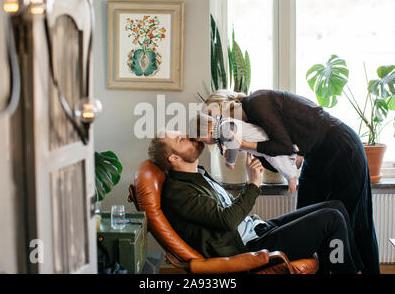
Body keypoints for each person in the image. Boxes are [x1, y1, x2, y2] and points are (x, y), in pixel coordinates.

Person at [203, 89, 379, 274]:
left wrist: (244, 145)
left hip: (342, 148)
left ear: (223, 105)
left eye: (210, 115)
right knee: (308, 216)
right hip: (316, 155)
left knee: (351, 218)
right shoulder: (246, 127)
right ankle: (326, 270)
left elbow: (284, 146)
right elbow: (277, 157)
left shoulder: (256, 102)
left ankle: (361, 270)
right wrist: (254, 155)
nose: (211, 124)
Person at [147, 130, 364, 274]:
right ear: (173, 159)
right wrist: (254, 183)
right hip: (248, 247)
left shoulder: (199, 174)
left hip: (258, 229)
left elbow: (223, 210)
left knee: (336, 206)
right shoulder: (177, 192)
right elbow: (226, 221)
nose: (188, 136)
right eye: (180, 140)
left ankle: (345, 268)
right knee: (332, 219)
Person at [188, 112, 299, 193]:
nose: (206, 144)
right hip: (260, 144)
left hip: (264, 140)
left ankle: (291, 177)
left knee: (275, 159)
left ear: (208, 131)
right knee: (276, 159)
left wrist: (230, 161)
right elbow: (237, 143)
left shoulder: (223, 128)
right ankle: (295, 157)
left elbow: (234, 144)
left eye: (203, 140)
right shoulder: (224, 126)